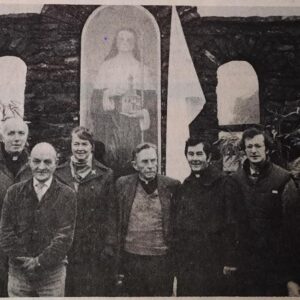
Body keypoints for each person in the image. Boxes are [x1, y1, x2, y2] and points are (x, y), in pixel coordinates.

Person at [229, 127, 300, 296]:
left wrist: (292, 277)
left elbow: (292, 231)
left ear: (267, 149)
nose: (254, 151)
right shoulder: (235, 180)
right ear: (244, 150)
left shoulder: (282, 179)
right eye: (249, 146)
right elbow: (232, 224)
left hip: (274, 266)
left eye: (258, 146)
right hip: (246, 266)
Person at [0, 142, 77, 297]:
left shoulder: (67, 194)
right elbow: (6, 231)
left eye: (47, 162)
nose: (41, 167)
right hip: (18, 271)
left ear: (56, 164)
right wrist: (24, 260)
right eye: (36, 161)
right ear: (29, 162)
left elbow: (65, 236)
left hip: (52, 273)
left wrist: (40, 262)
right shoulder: (14, 192)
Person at [55, 126, 116, 296]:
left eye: (84, 144)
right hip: (66, 246)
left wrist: (109, 245)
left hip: (94, 248)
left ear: (92, 147)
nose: (80, 148)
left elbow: (111, 213)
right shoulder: (59, 172)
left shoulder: (106, 174)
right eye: (76, 144)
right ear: (71, 146)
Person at [114, 142, 180, 296]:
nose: (151, 166)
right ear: (135, 165)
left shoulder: (172, 186)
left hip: (161, 260)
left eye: (153, 160)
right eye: (145, 162)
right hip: (132, 258)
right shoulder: (123, 185)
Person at [174, 138, 237, 296]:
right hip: (188, 263)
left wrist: (230, 260)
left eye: (199, 154)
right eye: (190, 154)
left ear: (208, 157)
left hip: (214, 261)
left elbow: (232, 224)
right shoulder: (185, 186)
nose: (194, 158)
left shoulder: (224, 184)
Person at [90, 28, 157, 175]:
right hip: (111, 125)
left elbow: (152, 101)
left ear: (134, 44)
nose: (125, 43)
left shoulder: (142, 68)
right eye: (121, 39)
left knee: (134, 158)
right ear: (116, 42)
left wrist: (143, 112)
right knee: (111, 160)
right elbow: (94, 103)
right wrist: (107, 94)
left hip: (134, 125)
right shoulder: (106, 66)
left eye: (129, 40)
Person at [0, 117, 32, 296]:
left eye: (21, 133)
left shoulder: (36, 164)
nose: (16, 138)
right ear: (2, 137)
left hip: (24, 244)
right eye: (11, 133)